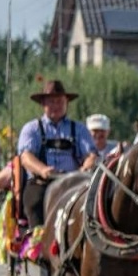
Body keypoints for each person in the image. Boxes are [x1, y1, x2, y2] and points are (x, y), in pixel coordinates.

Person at [15, 79, 98, 227]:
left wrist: (85, 168)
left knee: (94, 203)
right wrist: (43, 170)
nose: (56, 106)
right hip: (41, 183)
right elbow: (26, 157)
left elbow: (91, 155)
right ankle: (37, 239)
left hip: (74, 182)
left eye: (60, 101)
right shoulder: (32, 129)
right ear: (43, 104)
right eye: (51, 102)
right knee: (34, 202)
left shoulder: (79, 129)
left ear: (67, 103)